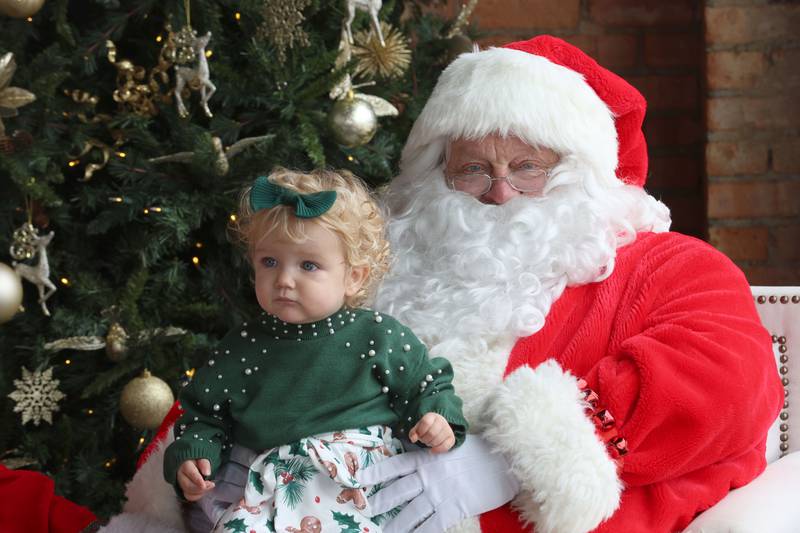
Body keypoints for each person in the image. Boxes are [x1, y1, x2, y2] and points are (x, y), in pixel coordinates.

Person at [351, 35, 785, 533]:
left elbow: (727, 383)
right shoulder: (385, 277)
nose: (500, 191)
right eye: (472, 169)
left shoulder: (671, 266)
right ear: (435, 177)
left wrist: (508, 462)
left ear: (579, 173)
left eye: (527, 167)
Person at [161, 169, 468, 533]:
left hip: (361, 487)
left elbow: (427, 384)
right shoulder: (240, 350)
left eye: (308, 265)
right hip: (272, 492)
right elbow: (204, 418)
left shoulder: (378, 335)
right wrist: (193, 456)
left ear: (353, 276)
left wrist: (435, 418)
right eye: (269, 262)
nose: (285, 280)